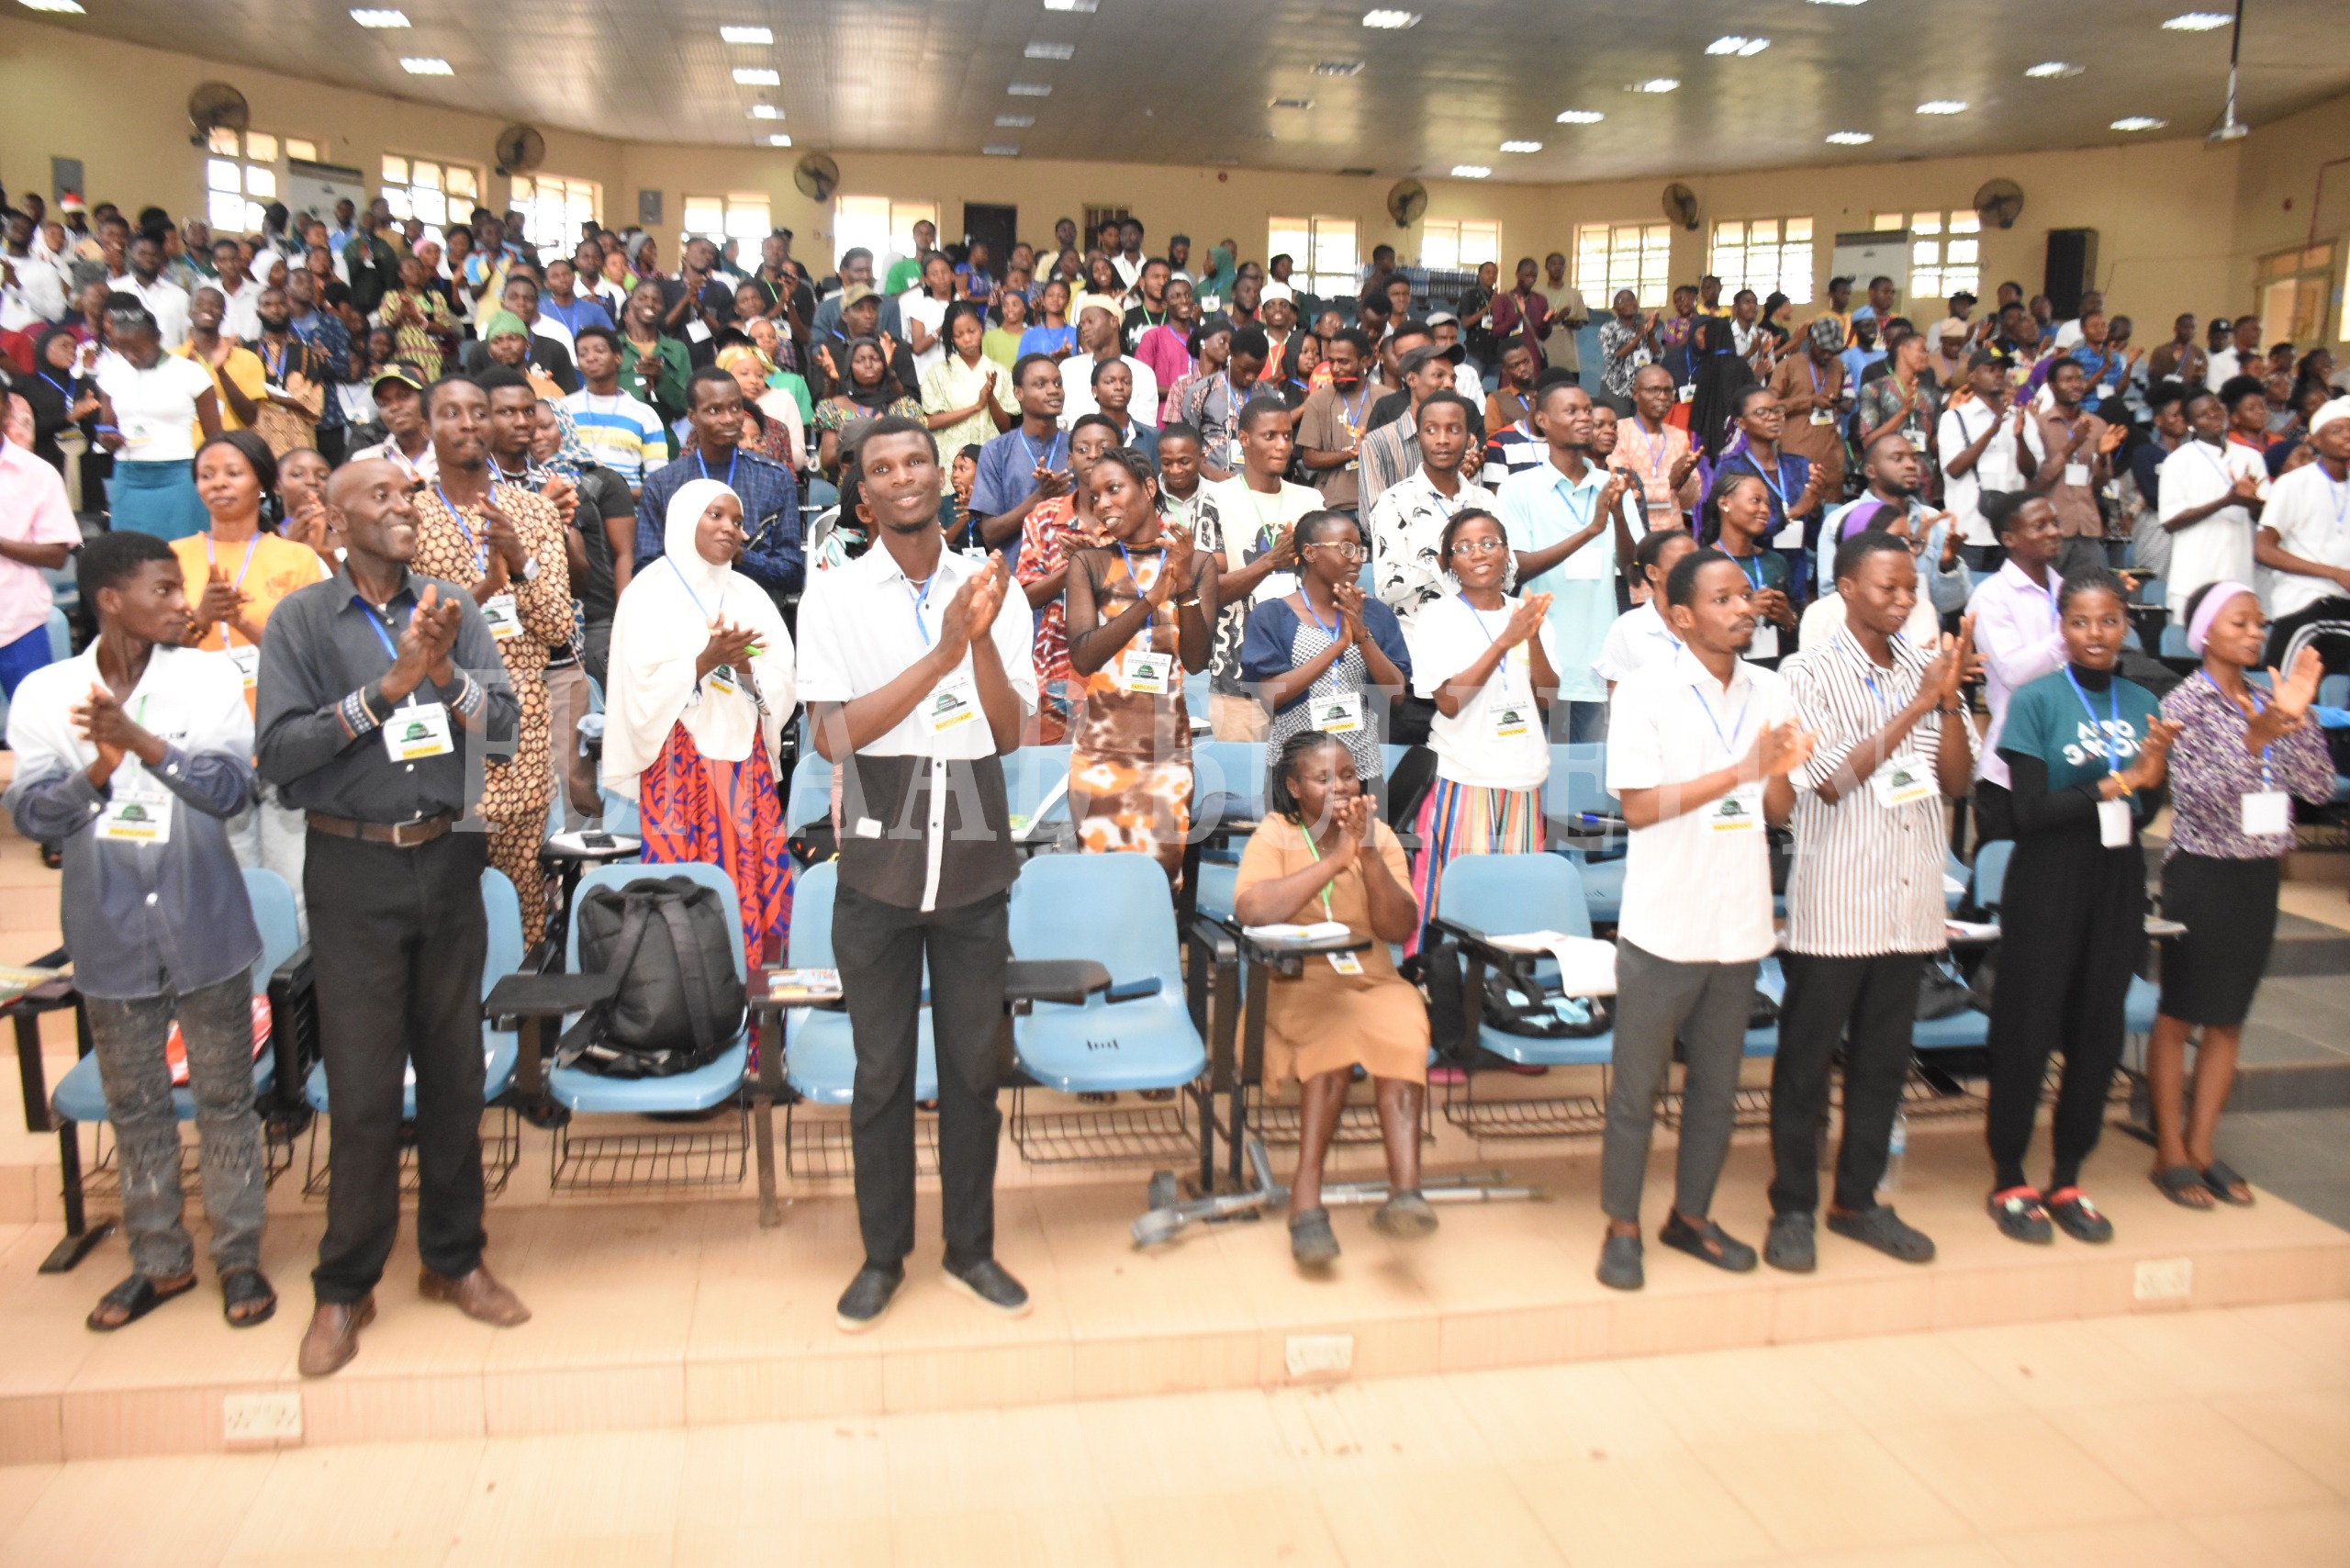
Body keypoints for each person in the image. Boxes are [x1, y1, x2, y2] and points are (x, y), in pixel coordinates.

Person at [255, 456, 528, 1377]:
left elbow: (504, 731)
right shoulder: (302, 621)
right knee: (365, 1088)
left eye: (409, 493)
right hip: (352, 867)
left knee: (454, 1075)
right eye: (381, 494)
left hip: (448, 859)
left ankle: (454, 1259)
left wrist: (442, 672)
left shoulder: (452, 605)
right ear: (334, 523)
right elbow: (280, 756)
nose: (404, 504)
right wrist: (386, 688)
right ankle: (345, 1285)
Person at [796, 415, 1037, 1331]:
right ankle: (881, 1256)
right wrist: (941, 654)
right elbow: (832, 736)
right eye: (883, 467)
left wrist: (979, 637)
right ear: (863, 496)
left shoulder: (994, 587)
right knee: (883, 1073)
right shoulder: (833, 595)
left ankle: (970, 1249)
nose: (903, 476)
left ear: (944, 479)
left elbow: (1008, 734)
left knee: (973, 1070)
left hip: (973, 844)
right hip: (879, 844)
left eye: (917, 461)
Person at [6, 531, 275, 1332]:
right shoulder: (46, 692)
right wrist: (98, 767)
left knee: (227, 1100)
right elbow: (33, 815)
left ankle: (239, 1256)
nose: (180, 603)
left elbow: (229, 792)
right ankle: (159, 1263)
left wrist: (141, 745)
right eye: (163, 589)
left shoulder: (205, 678)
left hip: (206, 922)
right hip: (109, 932)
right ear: (110, 600)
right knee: (136, 1107)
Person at [1598, 547, 1812, 1290]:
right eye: (1723, 600)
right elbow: (1638, 807)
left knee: (1717, 1090)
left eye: (1745, 596)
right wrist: (1739, 771)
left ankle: (1690, 1218)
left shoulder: (1772, 687)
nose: (1743, 609)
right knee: (1637, 1092)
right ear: (1682, 617)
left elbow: (1776, 810)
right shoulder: (1646, 692)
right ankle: (1622, 1228)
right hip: (1665, 921)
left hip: (1741, 920)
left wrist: (1777, 771)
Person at [1768, 532, 1978, 1272]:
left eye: (1911, 588)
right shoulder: (1806, 673)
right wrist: (1919, 702)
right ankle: (1793, 1208)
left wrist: (1945, 705)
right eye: (1889, 586)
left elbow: (1955, 781)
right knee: (1805, 1067)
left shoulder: (1928, 668)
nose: (1904, 599)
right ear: (1847, 589)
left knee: (1884, 1066)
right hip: (1838, 901)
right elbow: (1830, 781)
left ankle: (1857, 1202)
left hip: (1910, 901)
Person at [1984, 567, 2179, 1246]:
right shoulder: (2036, 700)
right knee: (2027, 1030)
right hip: (2046, 880)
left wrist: (2148, 778)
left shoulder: (2142, 699)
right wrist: (2122, 780)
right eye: (2080, 621)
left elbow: (2147, 808)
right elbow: (2030, 812)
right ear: (2061, 628)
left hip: (2116, 879)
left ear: (2125, 625)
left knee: (2098, 1032)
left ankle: (2067, 1175)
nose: (2095, 634)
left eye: (2108, 620)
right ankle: (2010, 1175)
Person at [2144, 585, 2330, 1210]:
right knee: (2180, 1013)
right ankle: (2169, 1150)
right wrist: (2255, 740)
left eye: (2260, 624)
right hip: (2203, 873)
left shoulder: (2271, 697)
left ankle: (2202, 1147)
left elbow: (2317, 787)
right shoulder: (2184, 703)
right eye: (2241, 622)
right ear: (2204, 632)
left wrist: (2297, 720)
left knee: (2229, 1017)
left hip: (2258, 875)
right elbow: (2199, 796)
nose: (2256, 633)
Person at [1231, 731, 1432, 1266]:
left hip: (1371, 977)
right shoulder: (1276, 833)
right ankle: (1306, 1198)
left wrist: (1365, 856)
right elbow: (1252, 909)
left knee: (1404, 1028)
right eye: (1324, 778)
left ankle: (1406, 1193)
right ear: (1295, 787)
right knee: (1334, 1040)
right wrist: (1334, 860)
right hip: (1297, 980)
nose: (1341, 787)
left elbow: (1398, 927)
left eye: (1347, 775)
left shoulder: (1379, 837)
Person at [602, 478, 799, 958]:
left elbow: (782, 680)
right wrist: (704, 662)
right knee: (680, 904)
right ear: (685, 519)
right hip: (675, 767)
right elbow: (636, 686)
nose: (730, 528)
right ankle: (684, 994)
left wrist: (745, 667)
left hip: (743, 766)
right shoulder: (647, 593)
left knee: (750, 884)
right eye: (716, 515)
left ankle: (753, 998)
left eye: (737, 520)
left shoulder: (750, 596)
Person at [406, 375, 573, 939]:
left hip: (520, 723)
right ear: (427, 426)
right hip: (442, 726)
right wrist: (483, 591)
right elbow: (407, 639)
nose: (469, 424)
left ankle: (521, 988)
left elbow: (557, 628)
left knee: (522, 897)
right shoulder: (409, 516)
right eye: (451, 413)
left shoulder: (534, 512)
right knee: (447, 899)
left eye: (479, 411)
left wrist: (521, 564)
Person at [171, 430, 330, 912]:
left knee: (292, 889)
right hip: (207, 743)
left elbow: (314, 654)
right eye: (206, 475)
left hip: (282, 734)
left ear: (261, 483)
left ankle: (290, 964)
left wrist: (240, 620)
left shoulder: (297, 558)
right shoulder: (172, 558)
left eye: (232, 473)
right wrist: (202, 618)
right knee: (226, 888)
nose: (218, 483)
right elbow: (155, 655)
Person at [1404, 506, 1557, 945]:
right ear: (1449, 562)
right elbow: (1449, 702)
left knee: (1514, 908)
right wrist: (1505, 641)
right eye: (1465, 547)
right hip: (1463, 778)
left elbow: (1548, 697)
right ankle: (1433, 976)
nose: (1479, 553)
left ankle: (1502, 982)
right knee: (1451, 903)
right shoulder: (1438, 617)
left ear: (1507, 552)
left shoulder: (1529, 613)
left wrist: (1530, 637)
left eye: (1490, 543)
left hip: (1523, 778)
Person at [1062, 447, 1215, 877]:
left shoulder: (1197, 563)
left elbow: (1197, 660)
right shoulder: (1090, 563)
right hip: (1100, 757)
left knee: (1161, 888)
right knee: (1101, 886)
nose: (1102, 504)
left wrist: (1184, 587)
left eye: (1114, 489)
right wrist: (1151, 599)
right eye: (1094, 496)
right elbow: (1085, 656)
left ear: (1148, 488)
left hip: (1167, 757)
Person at [1497, 382, 1638, 741]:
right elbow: (1516, 569)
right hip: (1540, 663)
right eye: (1571, 411)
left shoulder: (1613, 485)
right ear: (1542, 420)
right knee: (1540, 770)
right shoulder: (1518, 488)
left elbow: (1633, 570)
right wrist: (1591, 531)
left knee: (1589, 771)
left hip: (1599, 666)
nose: (1584, 418)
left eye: (1587, 410)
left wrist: (1618, 516)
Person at [1240, 509, 1410, 799]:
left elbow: (1396, 695)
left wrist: (1362, 636)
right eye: (1346, 548)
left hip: (1360, 770)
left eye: (1360, 550)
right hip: (1296, 777)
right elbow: (1271, 696)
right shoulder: (1272, 615)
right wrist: (1339, 645)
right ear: (1310, 552)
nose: (1357, 559)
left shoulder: (1377, 615)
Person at [632, 366, 803, 601]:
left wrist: (740, 556)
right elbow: (645, 570)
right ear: (692, 416)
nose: (729, 419)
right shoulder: (663, 484)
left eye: (735, 408)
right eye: (715, 410)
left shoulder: (775, 478)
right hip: (683, 609)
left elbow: (792, 573)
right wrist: (697, 553)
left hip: (753, 610)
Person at [1964, 490, 2068, 844]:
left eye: (2055, 523)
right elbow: (2013, 672)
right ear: (2009, 538)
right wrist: (2070, 634)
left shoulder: (2066, 590)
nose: (2054, 531)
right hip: (2010, 768)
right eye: (2040, 526)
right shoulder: (1992, 596)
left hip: (2066, 760)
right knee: (2005, 869)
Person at [1012, 415, 1121, 741]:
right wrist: (1072, 569)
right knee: (1049, 764)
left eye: (1104, 448)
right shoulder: (1044, 517)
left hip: (1120, 668)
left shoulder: (1135, 517)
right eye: (1083, 449)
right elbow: (1025, 597)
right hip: (1055, 668)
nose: (1093, 455)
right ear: (1070, 460)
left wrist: (1096, 564)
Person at [1368, 391, 1497, 633]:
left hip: (1482, 635)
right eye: (1431, 430)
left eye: (1453, 430)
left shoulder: (1485, 501)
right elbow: (1385, 588)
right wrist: (1444, 560)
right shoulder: (1394, 502)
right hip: (1418, 638)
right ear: (1419, 439)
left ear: (1469, 439)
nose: (1442, 440)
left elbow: (1508, 577)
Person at [94, 302, 222, 540]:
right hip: (129, 475)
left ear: (158, 338)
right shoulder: (111, 374)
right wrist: (108, 440)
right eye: (123, 349)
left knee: (183, 547)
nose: (131, 356)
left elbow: (216, 437)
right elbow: (107, 429)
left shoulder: (190, 373)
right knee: (129, 549)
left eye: (138, 349)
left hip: (179, 474)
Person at [2255, 397, 2350, 670]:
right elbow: (2263, 549)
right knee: (2288, 691)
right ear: (2315, 440)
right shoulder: (2293, 483)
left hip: (2345, 607)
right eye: (2337, 430)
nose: (2347, 435)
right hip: (2303, 604)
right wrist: (2334, 573)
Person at [2159, 386, 2266, 615]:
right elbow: (2170, 521)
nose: (2213, 417)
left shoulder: (2251, 457)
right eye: (2202, 415)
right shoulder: (2178, 461)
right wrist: (2226, 501)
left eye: (2216, 410)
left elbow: (2265, 517)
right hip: (2193, 579)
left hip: (2239, 575)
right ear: (2190, 424)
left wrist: (2253, 502)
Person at [0, 398, 79, 696]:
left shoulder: (38, 473)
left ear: (6, 410)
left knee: (35, 721)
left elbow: (57, 555)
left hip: (19, 626)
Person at [1941, 351, 2044, 572]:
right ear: (1972, 376)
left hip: (2011, 533)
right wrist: (1992, 430)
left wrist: (2019, 438)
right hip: (1969, 532)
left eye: (2002, 370)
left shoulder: (2020, 417)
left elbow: (2031, 471)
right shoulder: (1955, 417)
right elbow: (1955, 469)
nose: (1999, 374)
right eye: (1991, 369)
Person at [967, 354, 1069, 562]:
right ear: (1018, 392)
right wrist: (1038, 498)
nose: (1053, 390)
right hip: (1017, 574)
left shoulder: (1079, 446)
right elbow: (990, 535)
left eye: (1058, 383)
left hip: (1073, 572)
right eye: (1041, 384)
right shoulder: (995, 451)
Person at [2029, 360, 2124, 578]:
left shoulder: (2097, 425)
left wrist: (2102, 456)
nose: (2076, 385)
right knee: (2047, 591)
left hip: (2087, 525)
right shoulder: (2038, 425)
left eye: (2080, 379)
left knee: (2091, 587)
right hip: (2050, 528)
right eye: (2068, 380)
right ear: (2052, 386)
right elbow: (2036, 482)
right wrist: (2072, 445)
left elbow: (2101, 483)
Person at [1697, 472, 1798, 669]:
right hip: (1722, 671)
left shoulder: (1776, 563)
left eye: (1767, 504)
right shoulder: (1702, 564)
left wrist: (1788, 619)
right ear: (1725, 503)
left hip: (1774, 672)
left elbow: (1794, 637)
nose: (1765, 510)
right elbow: (1698, 630)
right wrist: (1748, 611)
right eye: (1755, 501)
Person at [562, 326, 668, 495]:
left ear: (618, 358)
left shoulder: (644, 415)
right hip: (572, 505)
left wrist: (613, 497)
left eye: (599, 350)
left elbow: (657, 482)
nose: (591, 358)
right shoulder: (563, 409)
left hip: (626, 507)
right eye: (583, 354)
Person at [921, 303, 1018, 481]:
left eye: (971, 331)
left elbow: (1005, 426)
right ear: (951, 338)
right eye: (959, 335)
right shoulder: (938, 373)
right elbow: (929, 422)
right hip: (952, 462)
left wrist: (990, 399)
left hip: (990, 459)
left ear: (980, 328)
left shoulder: (1000, 372)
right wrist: (976, 407)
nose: (967, 339)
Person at [1595, 527, 1697, 689]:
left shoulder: (1714, 619)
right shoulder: (1628, 628)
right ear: (1652, 572)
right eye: (1684, 562)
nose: (1696, 569)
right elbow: (1618, 698)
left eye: (1699, 561)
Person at [1296, 329, 1379, 520]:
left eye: (1343, 362)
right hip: (1334, 505)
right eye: (1331, 361)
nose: (1335, 368)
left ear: (1363, 361)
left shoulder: (1384, 398)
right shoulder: (1318, 400)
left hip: (1377, 504)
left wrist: (1371, 447)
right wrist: (1348, 454)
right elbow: (1308, 458)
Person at [1611, 364, 1699, 532]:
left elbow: (1690, 502)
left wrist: (1685, 480)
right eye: (1654, 390)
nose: (1662, 397)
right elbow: (1623, 492)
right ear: (1635, 394)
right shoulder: (1618, 433)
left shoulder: (1679, 437)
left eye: (1668, 391)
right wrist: (1669, 484)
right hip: (1632, 533)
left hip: (1672, 533)